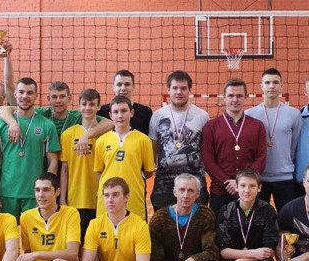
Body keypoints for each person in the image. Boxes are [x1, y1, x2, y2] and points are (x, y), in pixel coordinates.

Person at [0, 77, 59, 220]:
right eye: (21, 92)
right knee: (7, 232)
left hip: (35, 194)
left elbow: (53, 161)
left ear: (36, 96)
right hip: (6, 193)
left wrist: (46, 190)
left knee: (33, 233)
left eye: (30, 93)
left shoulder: (47, 125)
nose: (25, 96)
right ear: (15, 94)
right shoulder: (1, 124)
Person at [202, 78, 267, 215]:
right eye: (231, 95)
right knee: (220, 227)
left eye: (239, 96)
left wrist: (242, 183)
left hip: (248, 191)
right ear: (224, 98)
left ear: (246, 98)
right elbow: (208, 160)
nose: (235, 100)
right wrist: (227, 182)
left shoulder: (258, 126)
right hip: (220, 191)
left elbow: (261, 158)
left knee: (250, 227)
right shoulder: (211, 126)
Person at [149, 70, 210, 210]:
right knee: (163, 219)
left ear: (189, 91)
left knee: (196, 219)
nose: (179, 92)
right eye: (175, 88)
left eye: (183, 88)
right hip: (165, 181)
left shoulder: (202, 116)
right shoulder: (158, 116)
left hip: (194, 179)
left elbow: (206, 148)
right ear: (168, 90)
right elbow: (153, 147)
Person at [244, 68, 302, 210]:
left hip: (285, 178)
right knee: (258, 219)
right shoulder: (249, 114)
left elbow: (294, 146)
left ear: (281, 86)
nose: (271, 86)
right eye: (267, 82)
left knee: (287, 219)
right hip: (258, 178)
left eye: (275, 82)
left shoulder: (294, 114)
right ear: (261, 86)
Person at [94, 95, 155, 221]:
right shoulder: (101, 141)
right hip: (108, 199)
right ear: (110, 115)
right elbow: (99, 171)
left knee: (135, 230)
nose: (120, 115)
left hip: (134, 197)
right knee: (106, 231)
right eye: (116, 112)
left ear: (131, 113)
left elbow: (149, 171)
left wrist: (132, 176)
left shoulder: (143, 140)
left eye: (123, 111)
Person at [60, 88, 104, 240]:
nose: (87, 108)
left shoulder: (105, 134)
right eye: (84, 104)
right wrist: (62, 198)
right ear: (79, 106)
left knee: (96, 242)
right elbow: (64, 169)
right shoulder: (67, 134)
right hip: (75, 198)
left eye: (92, 104)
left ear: (99, 107)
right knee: (76, 241)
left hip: (99, 198)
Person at [98, 69, 153, 134]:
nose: (123, 88)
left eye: (127, 84)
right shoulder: (102, 111)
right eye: (119, 84)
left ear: (133, 87)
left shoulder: (145, 112)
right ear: (113, 87)